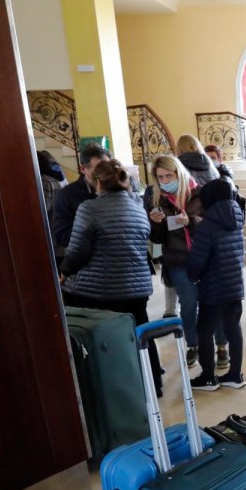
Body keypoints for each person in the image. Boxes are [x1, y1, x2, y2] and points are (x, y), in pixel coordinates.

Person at [59, 159, 162, 394]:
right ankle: (153, 384)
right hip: (136, 287)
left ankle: (102, 390)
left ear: (98, 183)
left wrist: (64, 271)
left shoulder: (89, 209)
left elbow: (77, 252)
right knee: (141, 334)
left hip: (99, 290)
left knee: (93, 337)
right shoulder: (137, 206)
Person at [145, 155, 226, 372]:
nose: (164, 181)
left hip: (206, 258)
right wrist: (157, 224)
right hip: (178, 260)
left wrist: (191, 222)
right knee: (189, 305)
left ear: (178, 173)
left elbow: (216, 226)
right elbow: (159, 239)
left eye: (168, 175)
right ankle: (193, 344)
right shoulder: (157, 199)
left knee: (212, 303)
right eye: (160, 177)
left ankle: (221, 346)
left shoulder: (201, 193)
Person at [186, 178, 246, 390]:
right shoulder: (237, 218)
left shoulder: (207, 226)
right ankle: (235, 375)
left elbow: (198, 261)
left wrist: (192, 275)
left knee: (204, 330)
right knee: (233, 328)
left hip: (213, 288)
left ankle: (208, 377)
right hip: (234, 286)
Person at [51, 142, 110, 257]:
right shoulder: (67, 195)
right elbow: (62, 237)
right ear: (83, 169)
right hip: (89, 263)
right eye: (98, 170)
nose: (104, 175)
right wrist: (93, 232)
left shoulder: (119, 190)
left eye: (107, 168)